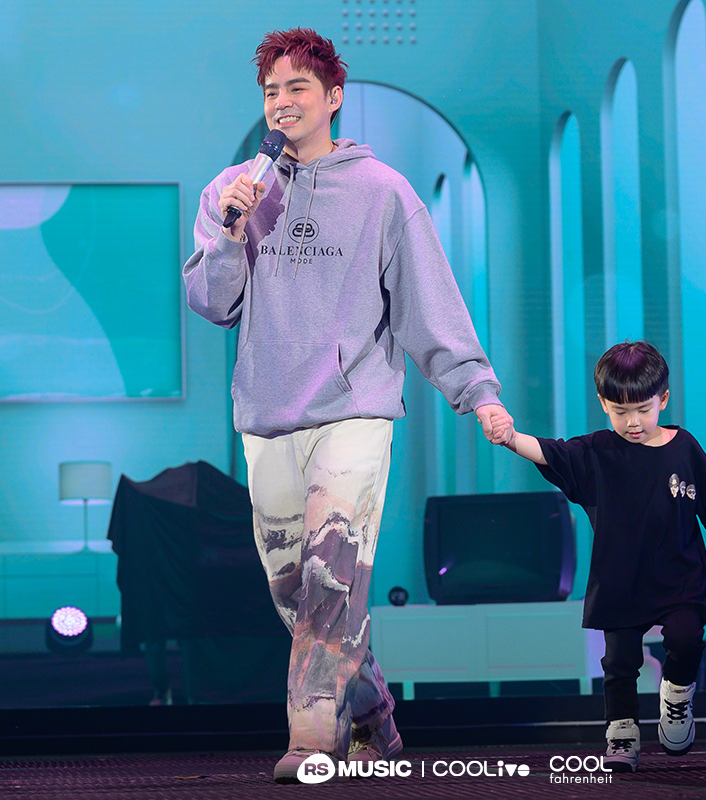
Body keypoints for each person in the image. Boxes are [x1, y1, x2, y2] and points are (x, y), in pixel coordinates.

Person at [183, 28, 512, 784]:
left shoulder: (383, 192)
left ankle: (311, 740)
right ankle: (371, 712)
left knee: (331, 576)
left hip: (354, 410)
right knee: (291, 589)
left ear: (333, 97)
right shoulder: (233, 190)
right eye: (271, 90)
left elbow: (429, 304)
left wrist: (476, 391)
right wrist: (231, 233)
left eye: (297, 87)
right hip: (268, 413)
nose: (282, 102)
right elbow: (211, 303)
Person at [490, 341, 706, 771]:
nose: (633, 422)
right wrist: (511, 438)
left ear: (663, 399)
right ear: (604, 404)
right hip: (621, 576)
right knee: (620, 661)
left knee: (686, 637)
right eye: (621, 411)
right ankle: (622, 732)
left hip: (680, 573)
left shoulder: (685, 447)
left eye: (643, 409)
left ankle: (677, 697)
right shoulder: (598, 452)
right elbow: (551, 452)